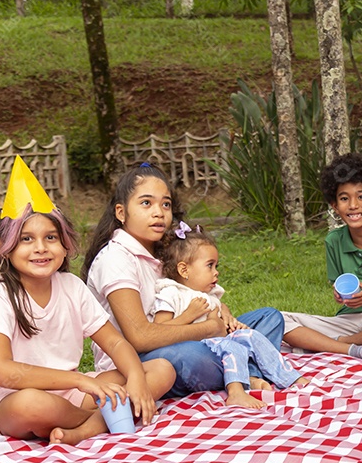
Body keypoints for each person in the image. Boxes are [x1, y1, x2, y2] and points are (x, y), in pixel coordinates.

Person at [0, 156, 174, 445]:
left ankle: (89, 425)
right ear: (3, 246)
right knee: (33, 405)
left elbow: (115, 342)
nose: (40, 248)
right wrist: (80, 382)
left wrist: (135, 376)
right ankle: (102, 419)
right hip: (6, 399)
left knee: (160, 369)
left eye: (50, 237)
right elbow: (2, 371)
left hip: (69, 392)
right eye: (26, 239)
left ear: (64, 243)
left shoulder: (71, 286)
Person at [82, 163, 285, 397]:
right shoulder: (115, 258)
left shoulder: (164, 252)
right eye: (146, 203)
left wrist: (222, 313)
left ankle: (241, 373)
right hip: (140, 362)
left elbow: (194, 295)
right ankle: (247, 373)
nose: (159, 212)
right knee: (191, 356)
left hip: (188, 335)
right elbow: (139, 338)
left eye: (165, 204)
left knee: (269, 318)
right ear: (121, 213)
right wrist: (209, 328)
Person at [152, 223, 307, 409]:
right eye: (210, 266)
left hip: (221, 339)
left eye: (216, 265)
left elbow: (219, 310)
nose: (216, 272)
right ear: (184, 270)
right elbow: (160, 329)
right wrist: (187, 316)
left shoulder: (209, 292)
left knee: (265, 322)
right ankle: (237, 392)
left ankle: (286, 378)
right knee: (232, 347)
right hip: (201, 348)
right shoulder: (171, 293)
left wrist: (227, 315)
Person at [281, 153, 362, 359]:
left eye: (361, 196)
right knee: (279, 319)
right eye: (344, 198)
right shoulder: (333, 241)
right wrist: (339, 295)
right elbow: (339, 287)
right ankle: (356, 344)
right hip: (348, 320)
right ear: (335, 206)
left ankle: (338, 345)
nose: (353, 205)